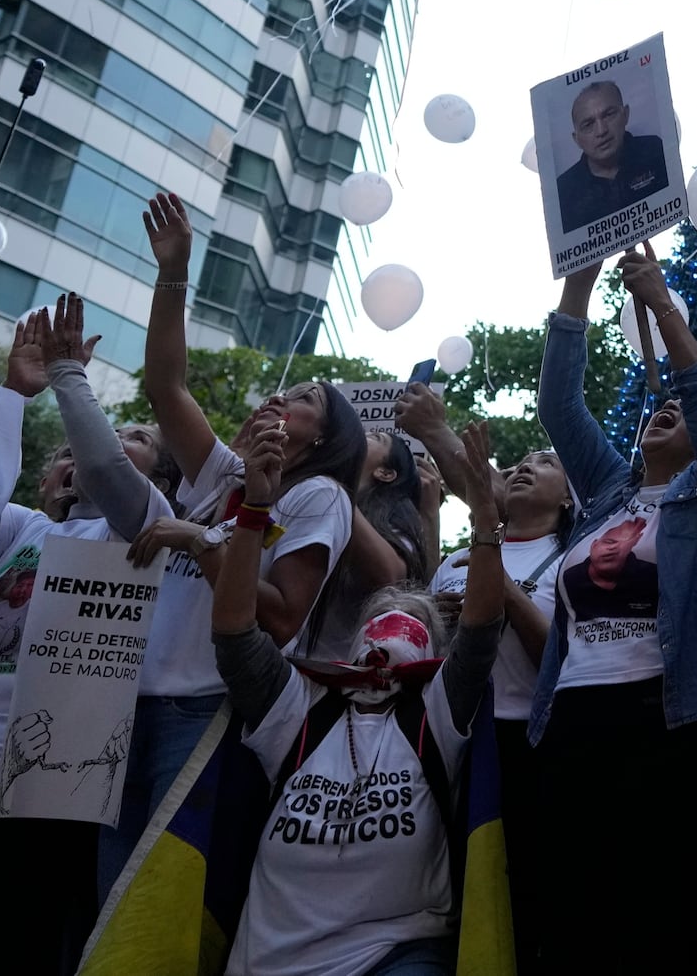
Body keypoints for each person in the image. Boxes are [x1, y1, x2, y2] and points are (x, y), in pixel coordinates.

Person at [0, 297, 171, 975]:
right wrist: (11, 394)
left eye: (127, 443)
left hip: (49, 792)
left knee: (9, 956)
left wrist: (67, 378)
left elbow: (110, 473)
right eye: (66, 449)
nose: (83, 455)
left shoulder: (140, 526)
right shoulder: (23, 525)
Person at [110, 190, 362, 893]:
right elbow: (165, 386)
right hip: (126, 703)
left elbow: (281, 615)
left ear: (325, 435)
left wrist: (201, 540)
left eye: (307, 396)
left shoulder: (319, 497)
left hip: (207, 710)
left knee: (160, 907)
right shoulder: (219, 469)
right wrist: (173, 273)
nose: (285, 398)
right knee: (108, 899)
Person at [213, 411, 506, 976]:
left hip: (397, 954)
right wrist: (253, 509)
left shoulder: (435, 714)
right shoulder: (299, 708)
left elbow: (480, 630)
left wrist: (486, 522)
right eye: (383, 610)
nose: (395, 616)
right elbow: (233, 630)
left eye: (414, 615)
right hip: (269, 961)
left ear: (433, 651)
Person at [529, 243, 697, 975]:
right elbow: (558, 403)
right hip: (573, 720)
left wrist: (660, 302)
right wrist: (580, 277)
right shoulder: (605, 493)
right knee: (573, 922)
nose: (666, 410)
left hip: (669, 722)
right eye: (660, 404)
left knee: (665, 919)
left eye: (680, 410)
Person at [405, 390, 570, 976]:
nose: (526, 465)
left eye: (547, 462)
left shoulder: (571, 558)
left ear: (571, 495)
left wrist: (494, 584)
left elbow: (557, 653)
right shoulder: (454, 560)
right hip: (444, 742)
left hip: (521, 745)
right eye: (521, 459)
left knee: (514, 890)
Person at [307, 426, 435, 662]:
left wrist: (337, 482)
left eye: (374, 437)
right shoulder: (311, 494)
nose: (358, 436)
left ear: (385, 473)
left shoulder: (392, 530)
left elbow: (389, 578)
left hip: (339, 682)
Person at [553, 79, 669, 231]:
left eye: (608, 115)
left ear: (625, 115)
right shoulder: (564, 191)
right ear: (577, 139)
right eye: (588, 124)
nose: (601, 131)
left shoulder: (654, 150)